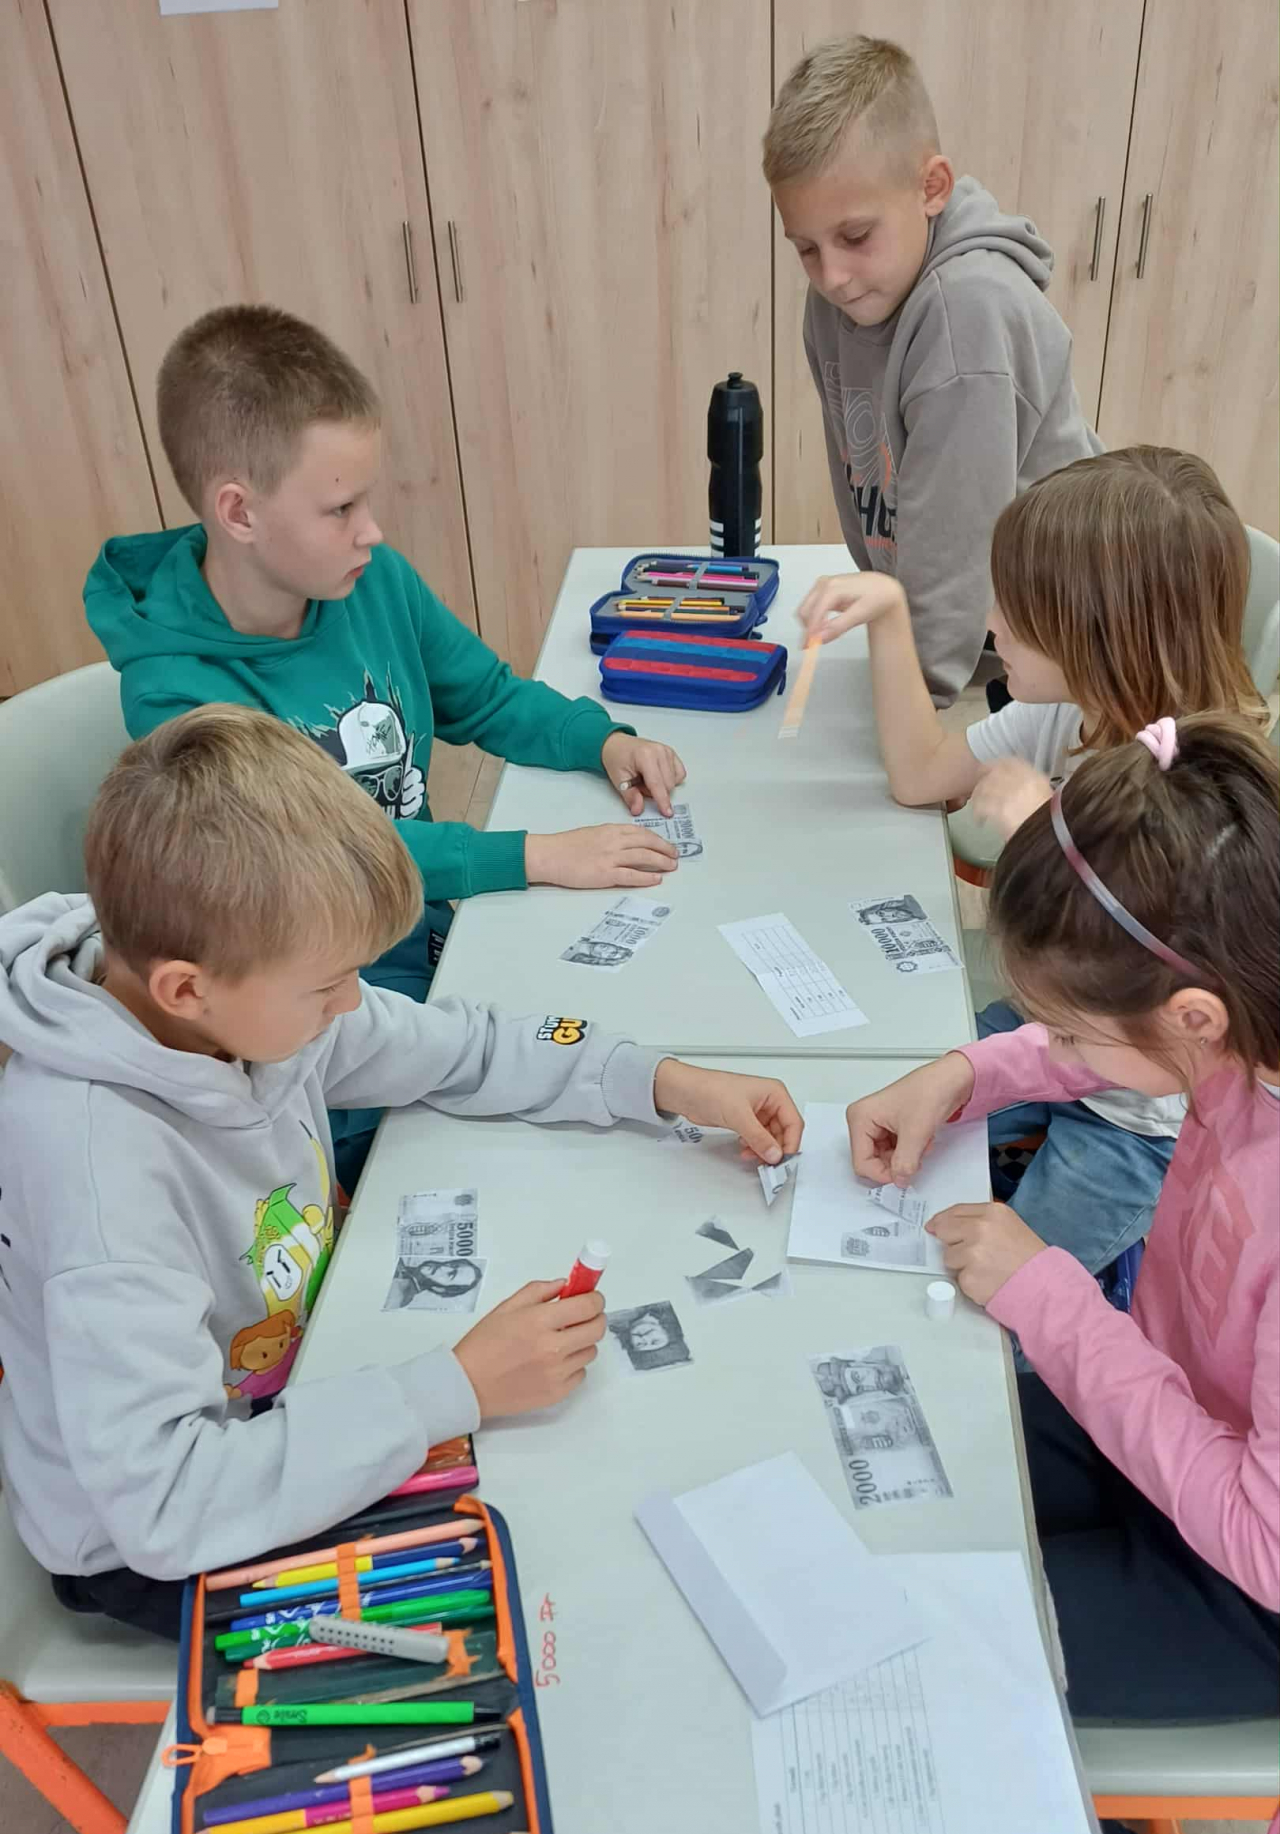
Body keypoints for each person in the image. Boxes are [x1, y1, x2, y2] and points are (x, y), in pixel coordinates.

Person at [0, 706, 802, 1642]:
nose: (353, 1004)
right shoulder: (101, 1174)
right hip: (151, 1539)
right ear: (188, 988)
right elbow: (166, 1502)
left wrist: (661, 1080)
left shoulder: (231, 994)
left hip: (284, 1400)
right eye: (326, 986)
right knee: (546, 1587)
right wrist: (456, 1384)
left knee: (563, 1487)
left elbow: (463, 1046)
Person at [845, 714, 1280, 1834]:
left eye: (1088, 1032)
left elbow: (1260, 1537)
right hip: (1175, 1427)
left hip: (1251, 1583)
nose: (1071, 1050)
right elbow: (1094, 1039)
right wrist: (964, 1074)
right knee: (899, 1494)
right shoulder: (1237, 1018)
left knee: (905, 1675)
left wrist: (1047, 1297)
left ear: (1195, 1018)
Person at [83, 305, 689, 1183]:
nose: (370, 529)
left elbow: (485, 695)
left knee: (599, 1054)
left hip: (429, 944)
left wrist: (598, 741)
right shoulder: (177, 693)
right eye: (340, 507)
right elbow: (316, 866)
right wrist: (533, 855)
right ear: (239, 512)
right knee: (484, 1171)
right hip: (320, 1008)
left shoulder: (366, 579)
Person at [799, 447, 1268, 1279]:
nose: (991, 624)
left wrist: (1045, 838)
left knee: (998, 1304)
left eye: (1015, 606)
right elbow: (919, 775)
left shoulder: (1208, 802)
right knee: (880, 1096)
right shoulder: (1073, 712)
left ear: (1098, 633)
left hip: (1141, 1120)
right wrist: (890, 615)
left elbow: (1140, 993)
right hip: (1060, 1034)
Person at [764, 32, 1099, 704]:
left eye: (855, 236)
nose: (832, 275)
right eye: (806, 248)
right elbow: (865, 482)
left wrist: (915, 691)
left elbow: (955, 546)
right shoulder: (834, 302)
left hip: (1068, 649)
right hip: (979, 642)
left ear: (931, 188)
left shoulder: (966, 313)